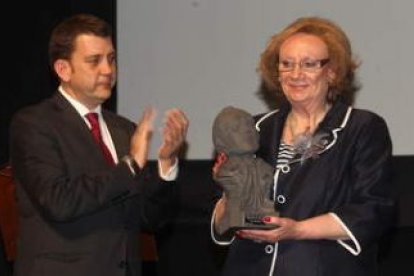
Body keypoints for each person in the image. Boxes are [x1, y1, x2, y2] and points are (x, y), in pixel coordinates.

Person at [211, 16, 395, 276]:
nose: (295, 74)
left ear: (331, 71)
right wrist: (229, 196)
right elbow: (223, 223)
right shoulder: (251, 129)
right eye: (287, 64)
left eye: (309, 64)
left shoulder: (361, 128)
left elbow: (372, 211)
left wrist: (297, 230)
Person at [9, 14, 188, 276]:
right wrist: (128, 167)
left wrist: (166, 164)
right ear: (63, 70)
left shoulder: (124, 130)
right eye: (94, 61)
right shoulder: (34, 124)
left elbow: (151, 219)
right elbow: (59, 201)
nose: (108, 69)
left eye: (111, 59)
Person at [212, 106, 278, 236]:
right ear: (221, 139)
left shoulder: (263, 167)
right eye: (237, 128)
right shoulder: (228, 171)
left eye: (249, 125)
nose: (247, 131)